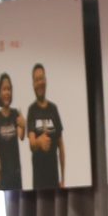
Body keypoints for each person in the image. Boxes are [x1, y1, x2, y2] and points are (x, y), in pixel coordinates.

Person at [26, 62, 65, 190]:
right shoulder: (32, 110)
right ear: (33, 84)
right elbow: (31, 143)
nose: (39, 83)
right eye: (36, 80)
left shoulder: (53, 109)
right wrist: (39, 142)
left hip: (54, 180)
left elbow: (61, 146)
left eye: (41, 79)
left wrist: (63, 179)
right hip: (38, 182)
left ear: (46, 80)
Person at [0, 72, 24, 191]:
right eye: (4, 89)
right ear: (0, 92)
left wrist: (23, 125)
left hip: (16, 173)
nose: (7, 92)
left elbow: (21, 136)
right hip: (3, 174)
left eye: (9, 89)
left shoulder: (15, 113)